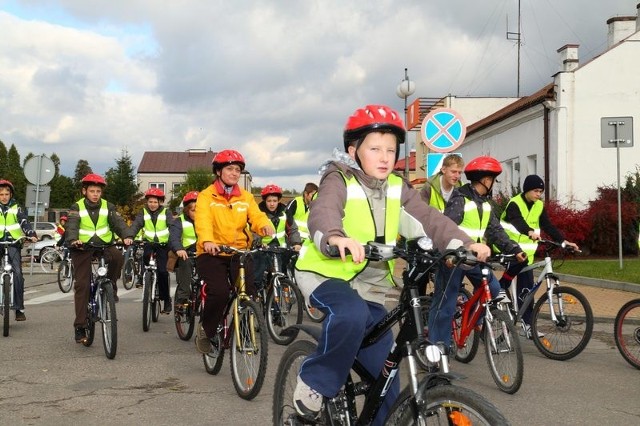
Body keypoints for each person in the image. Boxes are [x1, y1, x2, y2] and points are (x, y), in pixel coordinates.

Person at [292, 104, 490, 424]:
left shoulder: (398, 187)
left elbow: (429, 220)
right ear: (354, 151)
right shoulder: (338, 178)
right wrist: (334, 237)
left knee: (385, 375)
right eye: (375, 149)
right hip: (325, 274)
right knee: (350, 315)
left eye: (390, 149)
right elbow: (324, 211)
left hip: (369, 285)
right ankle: (315, 382)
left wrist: (463, 245)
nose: (385, 157)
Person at [428, 156, 527, 349]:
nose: (493, 183)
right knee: (445, 304)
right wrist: (447, 255)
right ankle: (436, 348)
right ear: (485, 180)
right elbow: (446, 228)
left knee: (494, 288)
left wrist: (514, 249)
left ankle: (471, 318)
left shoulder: (486, 204)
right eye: (492, 179)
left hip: (475, 260)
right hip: (454, 259)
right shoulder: (460, 198)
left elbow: (496, 231)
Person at [193, 149, 275, 354]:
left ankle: (246, 335)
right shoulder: (206, 196)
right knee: (219, 292)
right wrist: (208, 241)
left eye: (238, 170)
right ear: (219, 171)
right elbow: (203, 221)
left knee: (249, 294)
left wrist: (264, 225)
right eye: (229, 169)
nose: (234, 173)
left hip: (238, 252)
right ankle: (207, 330)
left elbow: (256, 216)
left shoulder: (245, 197)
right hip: (212, 253)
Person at [498, 174, 579, 338]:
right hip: (507, 247)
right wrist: (529, 231)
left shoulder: (539, 205)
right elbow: (517, 221)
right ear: (527, 190)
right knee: (514, 276)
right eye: (536, 191)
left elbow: (547, 225)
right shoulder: (515, 203)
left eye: (541, 191)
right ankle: (500, 287)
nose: (539, 194)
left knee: (527, 291)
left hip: (526, 253)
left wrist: (564, 241)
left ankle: (527, 326)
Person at [65, 173, 132, 343]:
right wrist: (73, 240)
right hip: (82, 247)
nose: (95, 194)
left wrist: (126, 236)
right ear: (84, 191)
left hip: (104, 245)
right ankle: (80, 326)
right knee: (82, 284)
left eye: (98, 191)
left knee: (117, 257)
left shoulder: (108, 206)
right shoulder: (76, 207)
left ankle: (110, 286)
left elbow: (119, 224)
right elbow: (71, 226)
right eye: (92, 191)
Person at [129, 188, 175, 314]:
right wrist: (130, 237)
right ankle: (142, 276)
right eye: (150, 201)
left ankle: (166, 300)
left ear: (160, 202)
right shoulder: (143, 212)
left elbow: (172, 226)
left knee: (163, 272)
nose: (152, 204)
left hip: (163, 245)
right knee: (145, 257)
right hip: (149, 243)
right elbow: (136, 225)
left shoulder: (166, 212)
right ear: (147, 202)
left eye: (155, 202)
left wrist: (173, 241)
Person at [0, 180, 38, 321]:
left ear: (11, 194)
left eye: (6, 194)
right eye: (1, 194)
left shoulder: (17, 208)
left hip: (13, 244)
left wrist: (31, 234)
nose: (4, 197)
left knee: (17, 273)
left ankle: (19, 308)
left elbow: (24, 222)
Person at [253, 184, 302, 289]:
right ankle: (257, 294)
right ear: (265, 201)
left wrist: (296, 243)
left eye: (274, 201)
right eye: (269, 201)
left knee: (281, 273)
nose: (272, 204)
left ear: (278, 200)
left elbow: (292, 229)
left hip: (280, 249)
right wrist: (258, 242)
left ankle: (279, 294)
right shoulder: (258, 213)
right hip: (263, 249)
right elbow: (253, 231)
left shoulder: (285, 212)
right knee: (258, 274)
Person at [169, 191, 199, 309]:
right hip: (187, 253)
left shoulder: (208, 220)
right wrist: (179, 249)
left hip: (203, 253)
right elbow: (174, 238)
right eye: (193, 210)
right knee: (185, 263)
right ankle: (182, 297)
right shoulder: (179, 221)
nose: (197, 213)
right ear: (187, 210)